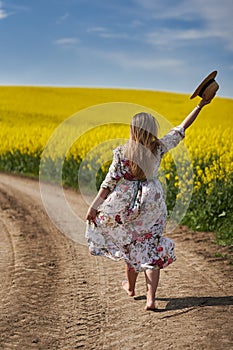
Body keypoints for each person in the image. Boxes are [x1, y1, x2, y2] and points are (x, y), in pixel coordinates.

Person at [85, 97, 212, 310]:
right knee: (150, 245)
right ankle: (151, 299)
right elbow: (180, 129)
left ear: (132, 130)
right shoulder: (159, 148)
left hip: (126, 204)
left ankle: (132, 288)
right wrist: (200, 105)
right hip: (152, 201)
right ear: (152, 131)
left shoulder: (121, 153)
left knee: (130, 244)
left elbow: (108, 184)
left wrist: (94, 207)